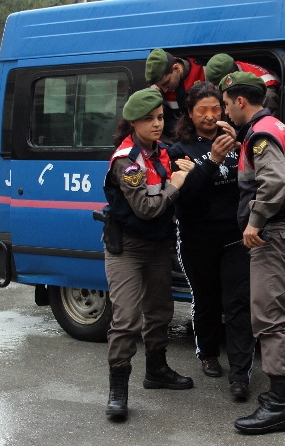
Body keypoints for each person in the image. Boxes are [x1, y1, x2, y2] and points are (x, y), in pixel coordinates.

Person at [219, 72, 285, 434]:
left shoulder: (259, 135)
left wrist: (254, 222)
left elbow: (275, 183)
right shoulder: (277, 126)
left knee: (270, 321)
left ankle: (279, 404)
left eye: (226, 104)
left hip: (272, 237)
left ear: (240, 101)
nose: (225, 112)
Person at [102, 88, 194, 420]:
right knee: (126, 319)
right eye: (149, 119)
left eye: (159, 118)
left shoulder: (162, 153)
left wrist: (184, 172)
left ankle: (156, 371)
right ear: (132, 123)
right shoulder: (127, 162)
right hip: (126, 247)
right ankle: (118, 390)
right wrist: (177, 184)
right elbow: (145, 207)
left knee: (159, 311)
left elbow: (171, 186)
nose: (157, 124)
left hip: (157, 245)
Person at [167, 82, 255, 400]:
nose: (209, 115)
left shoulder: (239, 139)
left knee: (238, 304)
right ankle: (206, 352)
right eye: (201, 110)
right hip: (196, 237)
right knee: (206, 299)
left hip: (235, 237)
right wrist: (211, 161)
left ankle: (241, 374)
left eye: (215, 108)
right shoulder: (179, 151)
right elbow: (185, 197)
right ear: (189, 115)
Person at [145, 49, 206, 142]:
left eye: (166, 83)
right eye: (159, 86)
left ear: (176, 69)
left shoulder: (201, 70)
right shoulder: (154, 85)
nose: (164, 89)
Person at [205, 53, 281, 119]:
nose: (226, 112)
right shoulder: (232, 66)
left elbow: (267, 129)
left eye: (220, 87)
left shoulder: (266, 93)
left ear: (231, 80)